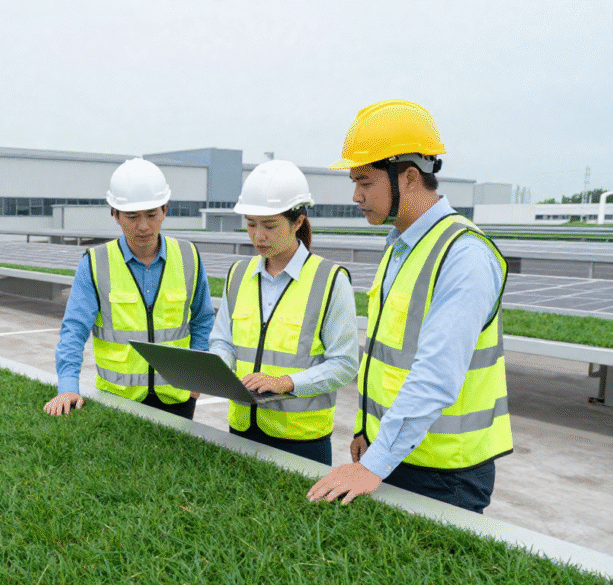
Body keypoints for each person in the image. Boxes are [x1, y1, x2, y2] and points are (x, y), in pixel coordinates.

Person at [307, 100, 512, 513]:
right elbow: (388, 358)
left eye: (364, 181)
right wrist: (369, 433)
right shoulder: (401, 246)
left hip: (444, 474)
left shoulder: (463, 255)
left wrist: (376, 462)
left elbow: (436, 375)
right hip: (395, 456)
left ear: (410, 177)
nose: (355, 195)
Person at [208, 160, 359, 465]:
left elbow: (344, 364)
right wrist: (221, 374)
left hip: (301, 442)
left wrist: (286, 383)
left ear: (298, 222)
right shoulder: (237, 274)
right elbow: (222, 340)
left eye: (270, 225)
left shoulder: (330, 280)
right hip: (241, 429)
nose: (258, 236)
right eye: (251, 224)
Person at [44, 158, 215, 419]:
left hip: (178, 400)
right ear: (115, 214)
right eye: (132, 217)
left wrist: (197, 377)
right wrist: (68, 387)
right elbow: (74, 330)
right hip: (117, 400)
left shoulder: (188, 256)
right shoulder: (95, 263)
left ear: (165, 209)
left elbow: (203, 318)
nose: (143, 226)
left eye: (152, 214)